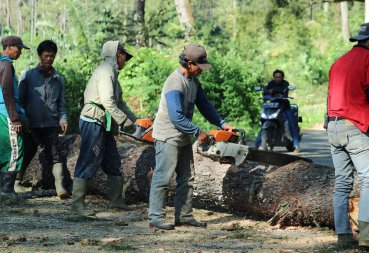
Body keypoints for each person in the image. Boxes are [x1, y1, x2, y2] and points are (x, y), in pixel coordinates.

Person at [148, 43, 234, 230]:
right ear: (188, 63)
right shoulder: (175, 83)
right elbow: (176, 116)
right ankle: (155, 218)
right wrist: (198, 131)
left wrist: (222, 123)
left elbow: (204, 105)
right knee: (163, 177)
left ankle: (184, 216)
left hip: (183, 135)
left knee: (187, 177)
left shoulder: (193, 81)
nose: (201, 71)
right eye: (199, 66)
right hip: (168, 135)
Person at [327, 22, 369, 249]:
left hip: (333, 126)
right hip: (355, 125)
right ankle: (367, 235)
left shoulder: (338, 62)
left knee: (342, 184)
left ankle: (343, 236)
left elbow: (330, 96)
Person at [71, 40, 137, 215]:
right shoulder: (106, 70)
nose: (125, 60)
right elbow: (108, 101)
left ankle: (115, 201)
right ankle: (77, 205)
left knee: (113, 160)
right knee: (88, 158)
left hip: (103, 122)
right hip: (93, 119)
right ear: (118, 54)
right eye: (124, 56)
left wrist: (136, 122)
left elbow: (120, 103)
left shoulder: (113, 73)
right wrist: (124, 121)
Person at [18, 40, 69, 198]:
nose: (49, 59)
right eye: (46, 56)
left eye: (52, 56)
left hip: (51, 124)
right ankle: (15, 183)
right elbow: (20, 100)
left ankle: (60, 188)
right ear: (40, 56)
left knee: (54, 154)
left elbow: (61, 103)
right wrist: (22, 119)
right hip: (30, 124)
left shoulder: (58, 79)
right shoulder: (28, 76)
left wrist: (63, 119)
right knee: (25, 153)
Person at [0, 35, 29, 194]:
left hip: (3, 114)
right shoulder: (6, 65)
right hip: (6, 114)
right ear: (9, 47)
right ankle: (6, 190)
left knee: (4, 150)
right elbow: (7, 93)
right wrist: (15, 119)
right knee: (15, 150)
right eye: (18, 49)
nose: (20, 53)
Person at [253, 69, 300, 152]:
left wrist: (273, 91)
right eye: (276, 77)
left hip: (284, 107)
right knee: (263, 124)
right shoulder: (271, 83)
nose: (278, 78)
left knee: (291, 123)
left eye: (279, 77)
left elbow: (284, 91)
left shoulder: (285, 83)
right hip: (272, 107)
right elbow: (265, 92)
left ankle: (296, 145)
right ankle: (255, 146)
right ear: (273, 77)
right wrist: (267, 92)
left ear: (282, 77)